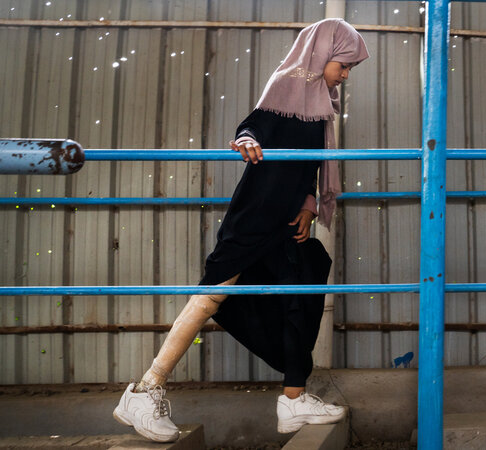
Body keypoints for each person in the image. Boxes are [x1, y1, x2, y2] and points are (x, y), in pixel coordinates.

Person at [112, 18, 369, 443]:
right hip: (253, 219)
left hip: (286, 223)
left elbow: (307, 167)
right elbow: (253, 125)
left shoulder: (321, 108)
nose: (345, 75)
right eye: (343, 65)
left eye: (349, 69)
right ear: (321, 54)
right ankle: (145, 391)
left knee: (301, 291)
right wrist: (246, 140)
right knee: (209, 298)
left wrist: (308, 206)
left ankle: (293, 399)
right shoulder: (285, 88)